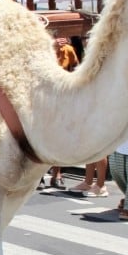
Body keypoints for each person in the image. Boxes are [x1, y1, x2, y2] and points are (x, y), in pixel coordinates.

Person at [44, 37, 79, 189]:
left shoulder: (68, 51)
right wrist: (52, 48)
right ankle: (38, 176)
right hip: (43, 98)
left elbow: (76, 68)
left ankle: (57, 174)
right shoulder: (44, 48)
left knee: (58, 138)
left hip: (61, 99)